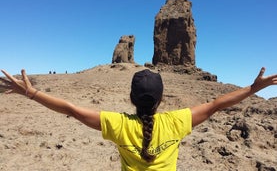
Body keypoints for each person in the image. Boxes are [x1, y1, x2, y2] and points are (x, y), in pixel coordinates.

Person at [0, 67, 276, 170]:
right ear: (162, 99)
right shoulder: (176, 122)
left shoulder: (118, 124)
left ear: (131, 98)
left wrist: (32, 93)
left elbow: (71, 109)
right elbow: (216, 105)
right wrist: (253, 89)